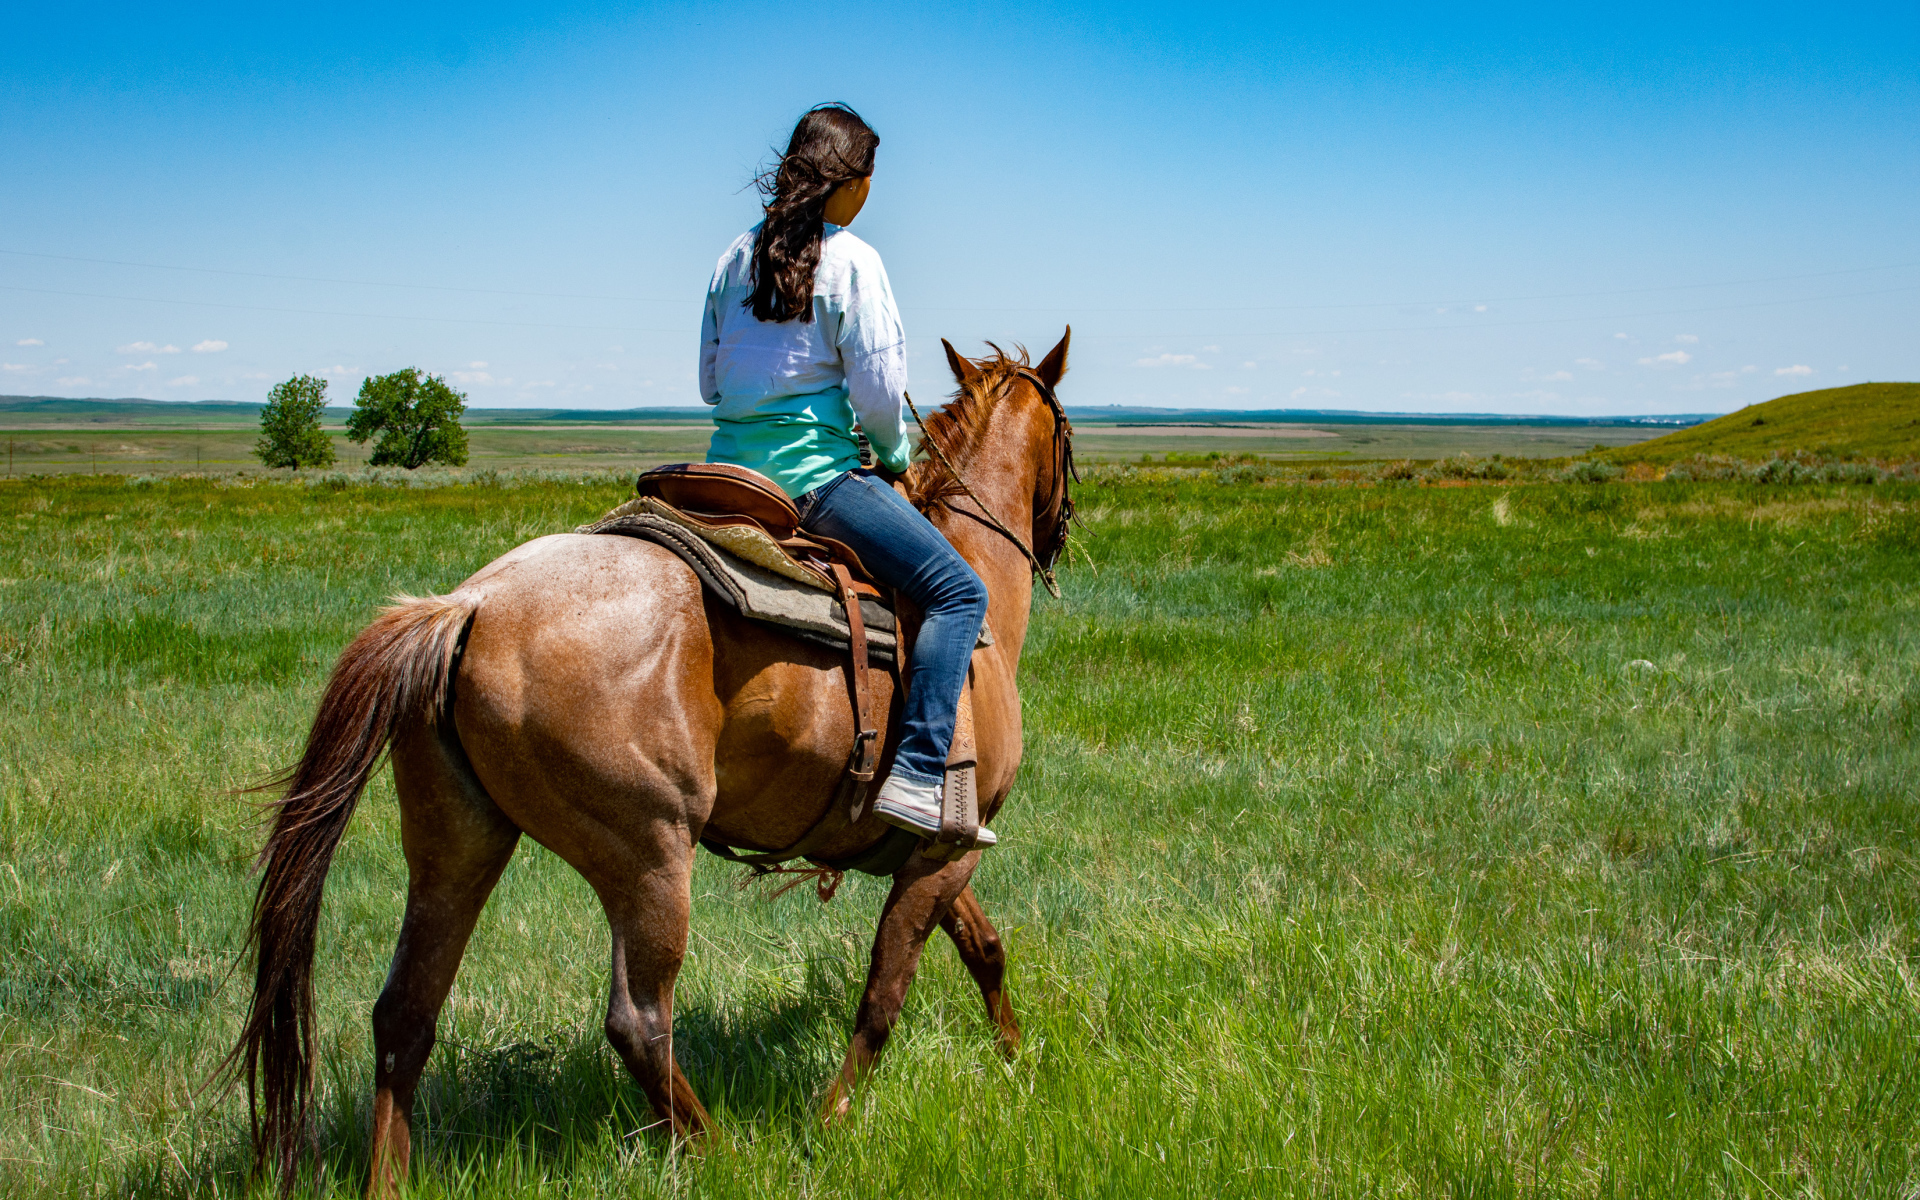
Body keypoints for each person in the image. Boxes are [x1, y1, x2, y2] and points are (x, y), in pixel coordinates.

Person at [699, 104, 996, 847]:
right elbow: (876, 393)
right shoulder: (855, 261)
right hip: (812, 484)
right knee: (960, 591)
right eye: (870, 181)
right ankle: (924, 776)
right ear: (853, 185)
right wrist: (895, 457)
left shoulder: (730, 257)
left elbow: (710, 384)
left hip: (722, 479)